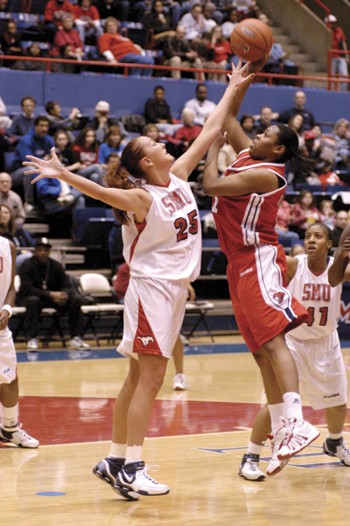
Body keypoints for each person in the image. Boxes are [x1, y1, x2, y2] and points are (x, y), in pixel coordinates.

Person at [23, 62, 254, 499]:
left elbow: (211, 127)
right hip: (150, 292)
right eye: (154, 143)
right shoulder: (141, 197)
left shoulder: (179, 177)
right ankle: (133, 465)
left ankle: (114, 458)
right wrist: (64, 174)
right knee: (150, 379)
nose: (164, 141)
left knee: (136, 378)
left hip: (168, 290)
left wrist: (233, 89)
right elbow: (98, 192)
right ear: (147, 162)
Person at [202, 60, 320, 471]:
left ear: (279, 149)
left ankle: (296, 422)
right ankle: (284, 433)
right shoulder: (253, 154)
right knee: (260, 356)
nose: (255, 135)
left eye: (265, 134)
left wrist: (213, 149)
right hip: (238, 264)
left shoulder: (267, 173)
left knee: (274, 343)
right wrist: (240, 83)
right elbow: (229, 117)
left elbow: (211, 185)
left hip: (260, 258)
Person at [238, 222, 350, 480]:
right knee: (276, 403)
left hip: (326, 341)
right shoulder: (293, 265)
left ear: (329, 244)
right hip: (294, 343)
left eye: (318, 236)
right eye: (308, 236)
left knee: (338, 402)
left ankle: (334, 442)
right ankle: (251, 455)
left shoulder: (339, 268)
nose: (311, 240)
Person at [112, 261, 193, 390]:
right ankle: (143, 380)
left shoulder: (164, 262)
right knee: (138, 371)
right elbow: (120, 289)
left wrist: (184, 282)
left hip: (166, 292)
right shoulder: (129, 266)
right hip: (142, 299)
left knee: (175, 335)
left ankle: (179, 374)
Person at [17, 238, 91, 351]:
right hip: (30, 297)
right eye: (40, 250)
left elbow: (66, 284)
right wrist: (50, 294)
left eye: (45, 250)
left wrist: (64, 294)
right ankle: (32, 339)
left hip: (53, 298)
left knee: (75, 300)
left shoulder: (55, 265)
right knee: (33, 301)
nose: (43, 252)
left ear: (49, 251)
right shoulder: (27, 265)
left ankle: (75, 338)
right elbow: (27, 289)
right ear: (35, 251)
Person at [0, 235, 39, 448]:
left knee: (9, 379)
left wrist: (6, 310)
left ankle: (9, 429)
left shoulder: (8, 246)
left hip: (0, 327)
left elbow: (11, 289)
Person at [9, 116, 55, 212]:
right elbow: (28, 162)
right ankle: (28, 202)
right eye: (41, 125)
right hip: (17, 173)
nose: (44, 129)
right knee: (30, 169)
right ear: (35, 127)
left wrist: (46, 161)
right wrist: (44, 160)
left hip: (39, 168)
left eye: (46, 126)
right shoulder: (26, 140)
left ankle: (49, 201)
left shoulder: (49, 140)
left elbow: (53, 159)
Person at [0, 204, 34, 271]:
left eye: (6, 212)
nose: (3, 215)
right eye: (1, 213)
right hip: (5, 261)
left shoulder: (18, 229)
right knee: (29, 257)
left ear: (11, 215)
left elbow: (31, 243)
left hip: (21, 258)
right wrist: (21, 252)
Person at [326, 15, 349, 92]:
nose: (333, 24)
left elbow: (343, 42)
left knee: (344, 75)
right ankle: (331, 93)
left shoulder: (339, 30)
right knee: (331, 76)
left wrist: (346, 55)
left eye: (334, 23)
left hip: (340, 56)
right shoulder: (326, 31)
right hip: (331, 57)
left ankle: (343, 92)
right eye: (331, 23)